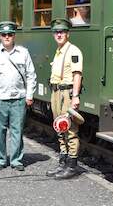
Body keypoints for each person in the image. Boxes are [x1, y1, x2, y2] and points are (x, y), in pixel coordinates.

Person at [0, 21, 36, 171]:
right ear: (0, 36)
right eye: (4, 34)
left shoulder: (23, 53)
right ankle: (0, 158)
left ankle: (16, 160)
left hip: (18, 97)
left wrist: (29, 95)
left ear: (14, 35)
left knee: (17, 130)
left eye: (10, 34)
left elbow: (31, 75)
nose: (7, 37)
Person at [46, 18, 83, 180]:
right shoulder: (59, 50)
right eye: (56, 32)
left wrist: (75, 96)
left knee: (69, 128)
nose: (59, 34)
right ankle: (63, 162)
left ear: (68, 33)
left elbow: (77, 75)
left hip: (67, 93)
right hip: (56, 92)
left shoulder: (73, 50)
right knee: (59, 128)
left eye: (62, 31)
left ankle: (72, 166)